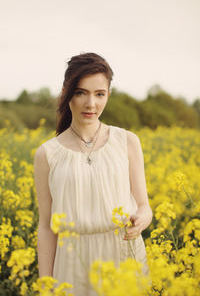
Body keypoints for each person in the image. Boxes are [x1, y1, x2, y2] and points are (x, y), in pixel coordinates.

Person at [34, 52, 153, 295]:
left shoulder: (128, 141)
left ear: (108, 94)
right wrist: (45, 285)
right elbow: (46, 227)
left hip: (123, 255)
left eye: (99, 94)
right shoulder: (47, 154)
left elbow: (145, 207)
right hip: (72, 265)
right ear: (67, 93)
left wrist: (141, 219)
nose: (91, 104)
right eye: (81, 93)